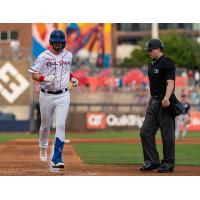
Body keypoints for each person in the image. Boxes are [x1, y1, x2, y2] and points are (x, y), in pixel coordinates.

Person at [28, 29, 78, 168]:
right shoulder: (43, 56)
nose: (57, 45)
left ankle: (57, 158)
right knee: (45, 125)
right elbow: (33, 74)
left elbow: (67, 71)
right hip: (46, 95)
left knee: (61, 125)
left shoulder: (69, 55)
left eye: (60, 42)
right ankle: (43, 147)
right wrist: (43, 78)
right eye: (55, 42)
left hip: (63, 95)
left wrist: (73, 79)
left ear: (63, 43)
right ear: (51, 42)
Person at [140, 39, 178, 173]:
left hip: (164, 102)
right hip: (153, 102)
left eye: (150, 50)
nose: (148, 52)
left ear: (157, 49)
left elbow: (170, 83)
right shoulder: (151, 64)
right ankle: (152, 161)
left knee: (167, 135)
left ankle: (168, 163)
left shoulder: (168, 62)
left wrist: (167, 98)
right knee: (145, 132)